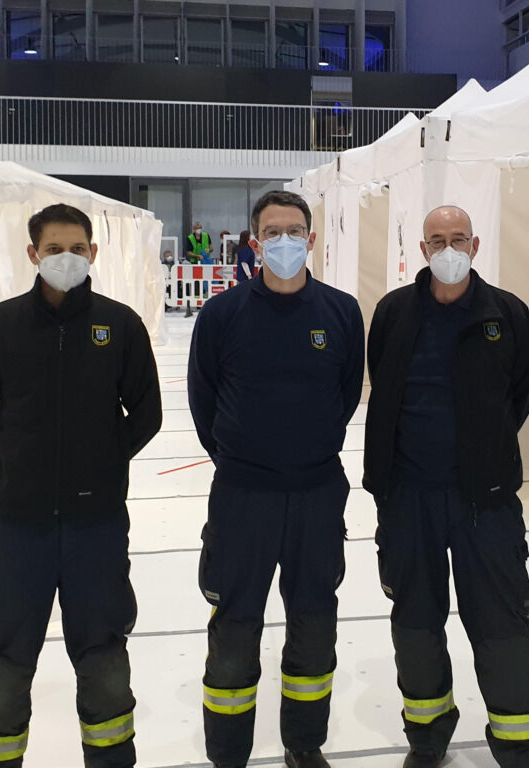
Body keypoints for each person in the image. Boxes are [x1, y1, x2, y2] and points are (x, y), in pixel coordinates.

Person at [0, 203, 163, 768]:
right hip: (19, 530)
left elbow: (146, 412)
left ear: (93, 253)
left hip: (96, 530)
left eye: (76, 248)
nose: (65, 258)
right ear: (32, 255)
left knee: (104, 663)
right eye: (53, 249)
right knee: (4, 664)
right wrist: (9, 465)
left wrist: (104, 462)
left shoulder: (119, 326)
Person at [188, 190, 364, 768]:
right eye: (272, 231)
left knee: (314, 622)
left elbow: (344, 395)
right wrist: (242, 457)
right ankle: (228, 752)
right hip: (243, 499)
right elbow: (203, 401)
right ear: (255, 241)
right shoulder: (221, 315)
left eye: (294, 230)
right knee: (235, 626)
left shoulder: (340, 312)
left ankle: (304, 742)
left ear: (312, 240)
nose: (284, 240)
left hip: (316, 496)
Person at [364, 205, 529, 768]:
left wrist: (484, 447)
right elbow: (381, 385)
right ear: (421, 249)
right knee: (416, 623)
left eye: (458, 238)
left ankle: (516, 746)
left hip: (484, 503)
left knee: (502, 624)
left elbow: (524, 390)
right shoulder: (394, 312)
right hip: (408, 498)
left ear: (475, 244)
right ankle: (428, 736)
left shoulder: (506, 313)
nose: (448, 248)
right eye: (437, 239)